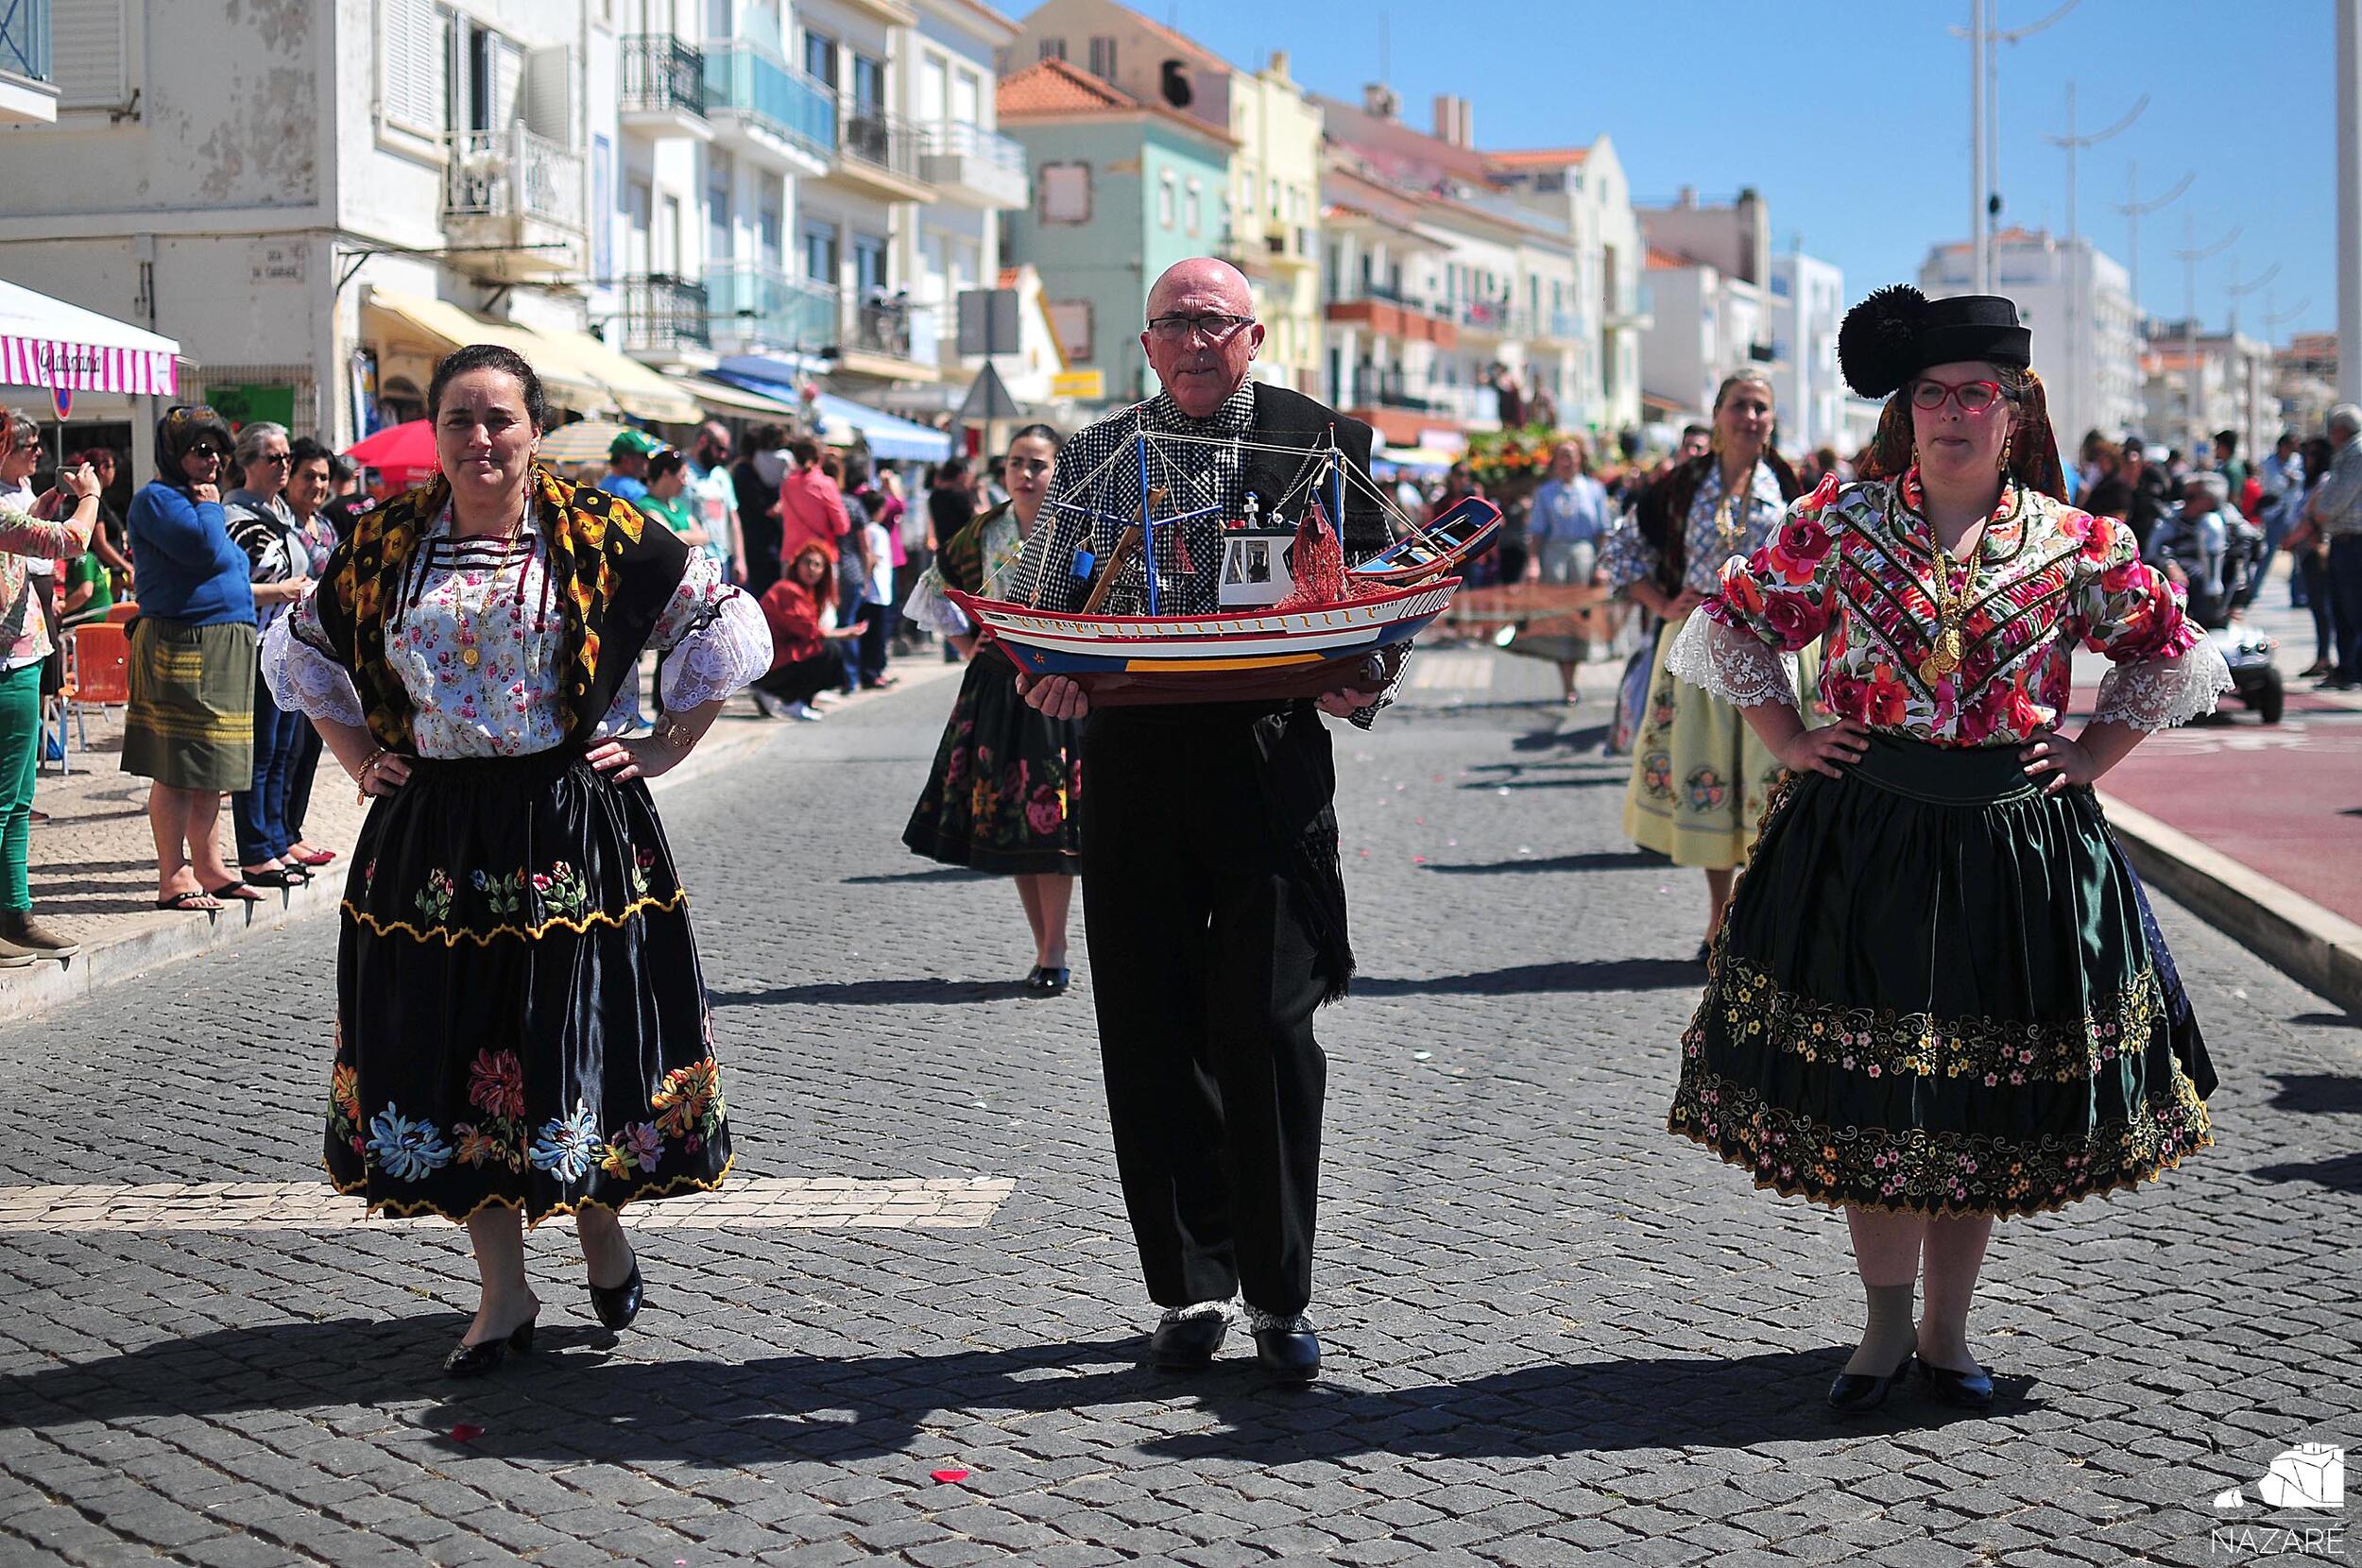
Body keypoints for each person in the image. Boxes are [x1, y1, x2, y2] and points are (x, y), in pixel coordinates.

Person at [1666, 286, 2228, 1416]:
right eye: (1934, 393)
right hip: (1861, 836)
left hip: (2010, 850)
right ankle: (1879, 1330)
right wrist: (1789, 732)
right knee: (1878, 1100)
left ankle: (1946, 1330)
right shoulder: (1839, 520)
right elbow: (1731, 621)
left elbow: (2167, 652)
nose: (1956, 413)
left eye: (1980, 393)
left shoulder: (2079, 543)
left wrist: (2090, 754)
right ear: (1907, 409)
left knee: (1967, 1098)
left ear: (2015, 412)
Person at [260, 344, 772, 1377]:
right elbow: (301, 643)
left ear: (537, 429)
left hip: (569, 836)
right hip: (433, 842)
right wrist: (359, 755)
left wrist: (669, 740)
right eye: (460, 419)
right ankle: (503, 1289)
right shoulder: (387, 542)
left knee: (564, 1044)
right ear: (437, 435)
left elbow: (718, 614)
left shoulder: (600, 531)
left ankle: (597, 1223)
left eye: (500, 418)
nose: (481, 438)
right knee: (455, 1057)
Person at [1009, 258, 1396, 1384]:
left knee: (1268, 1025)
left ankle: (1278, 1296)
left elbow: (1387, 586)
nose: (1190, 340)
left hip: (1268, 757)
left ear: (1253, 336)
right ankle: (1186, 1285)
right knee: (1147, 1020)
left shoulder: (1317, 443)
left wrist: (1365, 676)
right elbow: (1040, 603)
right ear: (1145, 342)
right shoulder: (1092, 457)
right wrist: (1048, 675)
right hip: (1133, 756)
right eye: (1171, 322)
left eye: (1210, 323)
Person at [1601, 370, 1808, 962]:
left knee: (1775, 784)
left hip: (1777, 649)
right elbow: (1620, 548)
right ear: (1717, 413)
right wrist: (1662, 601)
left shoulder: (1792, 484)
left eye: (1761, 408)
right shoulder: (1681, 484)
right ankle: (1719, 917)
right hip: (1699, 647)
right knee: (1712, 776)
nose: (1751, 417)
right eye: (1740, 405)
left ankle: (1759, 914)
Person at [902, 425, 1081, 993]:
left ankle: (1055, 951)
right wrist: (965, 644)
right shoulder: (983, 529)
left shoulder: (1079, 527)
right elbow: (937, 586)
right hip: (997, 685)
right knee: (1014, 825)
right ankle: (1043, 947)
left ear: (1058, 470)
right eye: (1015, 464)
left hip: (1059, 684)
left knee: (1052, 823)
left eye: (1038, 464)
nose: (1025, 475)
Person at [124, 405, 262, 912]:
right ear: (172, 452)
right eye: (200, 450)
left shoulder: (196, 499)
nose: (212, 460)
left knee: (214, 768)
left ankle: (210, 865)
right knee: (179, 768)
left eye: (218, 450)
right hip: (183, 644)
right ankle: (173, 875)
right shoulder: (157, 501)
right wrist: (210, 504)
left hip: (223, 644)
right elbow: (204, 549)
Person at [0, 418, 102, 963]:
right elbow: (71, 541)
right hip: (6, 663)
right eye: (25, 444)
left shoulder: (7, 502)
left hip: (20, 658)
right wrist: (89, 497)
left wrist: (42, 505)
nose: (36, 450)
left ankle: (15, 916)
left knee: (18, 802)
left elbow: (25, 542)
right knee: (4, 803)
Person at [225, 425, 317, 892]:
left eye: (286, 457)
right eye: (273, 458)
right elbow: (228, 584)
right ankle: (255, 849)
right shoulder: (233, 516)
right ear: (247, 463)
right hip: (256, 644)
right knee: (260, 752)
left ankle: (278, 838)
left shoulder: (281, 511)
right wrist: (278, 591)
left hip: (290, 644)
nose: (283, 466)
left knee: (286, 749)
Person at [278, 439, 340, 870]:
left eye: (323, 477)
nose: (317, 485)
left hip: (322, 653)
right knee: (283, 750)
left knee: (308, 749)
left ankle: (293, 830)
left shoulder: (326, 527)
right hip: (283, 650)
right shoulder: (281, 526)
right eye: (309, 476)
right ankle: (278, 835)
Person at [1521, 437, 1615, 704]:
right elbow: (1536, 532)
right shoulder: (1545, 493)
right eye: (1562, 455)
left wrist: (1602, 565)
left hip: (1584, 558)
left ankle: (1583, 662)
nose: (1567, 461)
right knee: (1561, 621)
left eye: (1571, 455)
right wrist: (1534, 562)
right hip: (1555, 558)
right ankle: (1567, 683)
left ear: (1580, 459)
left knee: (1582, 619)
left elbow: (1602, 532)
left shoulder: (1594, 490)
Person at [752, 541, 864, 721]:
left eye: (817, 565)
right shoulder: (788, 590)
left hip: (776, 661)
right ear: (797, 565)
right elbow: (808, 631)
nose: (811, 569)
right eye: (807, 562)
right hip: (767, 665)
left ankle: (797, 699)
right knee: (828, 650)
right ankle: (788, 698)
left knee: (827, 650)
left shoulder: (808, 592)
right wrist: (845, 633)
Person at [2303, 403, 2362, 689]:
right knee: (2342, 607)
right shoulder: (2347, 453)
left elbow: (2337, 498)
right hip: (2344, 540)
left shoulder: (2356, 453)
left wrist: (2318, 512)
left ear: (2340, 429)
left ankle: (2354, 669)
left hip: (2354, 541)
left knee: (2353, 607)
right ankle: (2349, 667)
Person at [2288, 435, 2338, 676]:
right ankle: (2323, 656)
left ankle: (2326, 658)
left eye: (2311, 455)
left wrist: (2290, 540)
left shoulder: (2324, 481)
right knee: (2318, 607)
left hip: (2318, 550)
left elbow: (2312, 518)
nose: (2306, 460)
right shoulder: (2307, 482)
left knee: (2324, 606)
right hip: (2306, 551)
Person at [779, 436, 850, 572]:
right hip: (820, 557)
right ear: (820, 457)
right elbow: (842, 526)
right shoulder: (826, 484)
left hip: (791, 556)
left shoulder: (787, 484)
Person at [685, 422, 745, 584]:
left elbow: (733, 518)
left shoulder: (721, 476)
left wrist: (740, 558)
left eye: (726, 450)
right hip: (692, 560)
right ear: (703, 442)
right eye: (720, 449)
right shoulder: (683, 472)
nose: (723, 456)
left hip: (721, 560)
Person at [732, 425, 786, 596]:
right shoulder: (744, 474)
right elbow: (766, 508)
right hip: (757, 545)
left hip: (768, 544)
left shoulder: (755, 472)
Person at [635, 448, 708, 554]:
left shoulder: (678, 507)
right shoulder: (646, 506)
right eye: (682, 476)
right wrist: (690, 538)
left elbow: (704, 537)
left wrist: (682, 535)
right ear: (666, 474)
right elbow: (671, 542)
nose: (685, 482)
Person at [602, 428, 658, 503]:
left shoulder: (602, 486)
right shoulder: (636, 493)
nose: (647, 461)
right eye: (644, 456)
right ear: (627, 460)